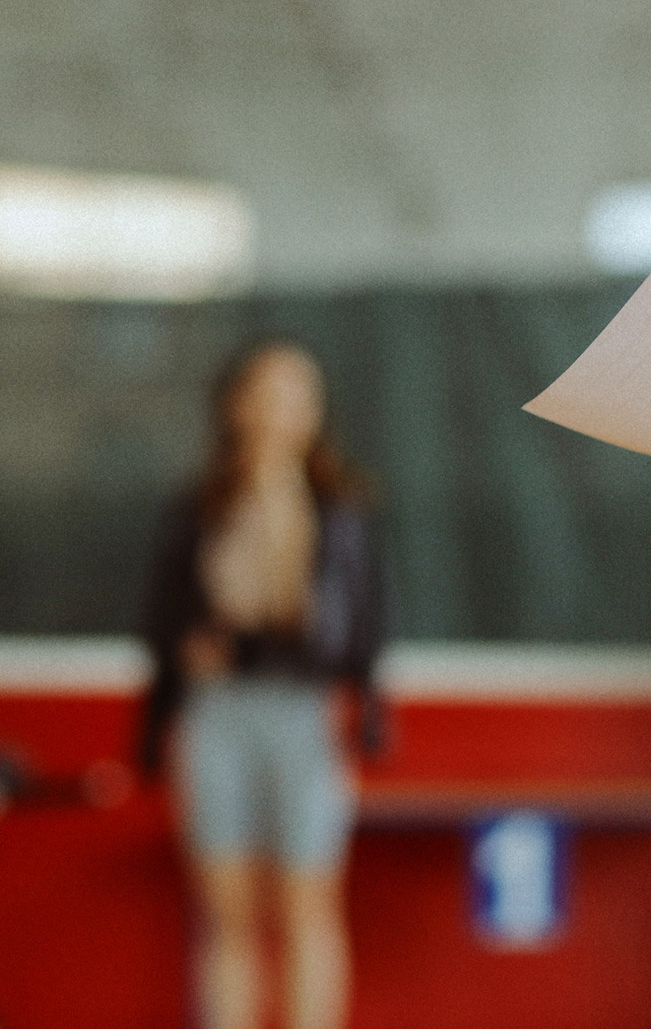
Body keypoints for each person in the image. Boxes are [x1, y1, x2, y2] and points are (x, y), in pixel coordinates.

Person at [139, 340, 385, 1029]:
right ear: (236, 404)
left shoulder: (342, 508)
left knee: (307, 904)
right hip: (219, 714)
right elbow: (164, 622)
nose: (287, 409)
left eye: (300, 393)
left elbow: (359, 624)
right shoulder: (200, 508)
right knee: (228, 912)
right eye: (271, 392)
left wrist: (363, 715)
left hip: (303, 711)